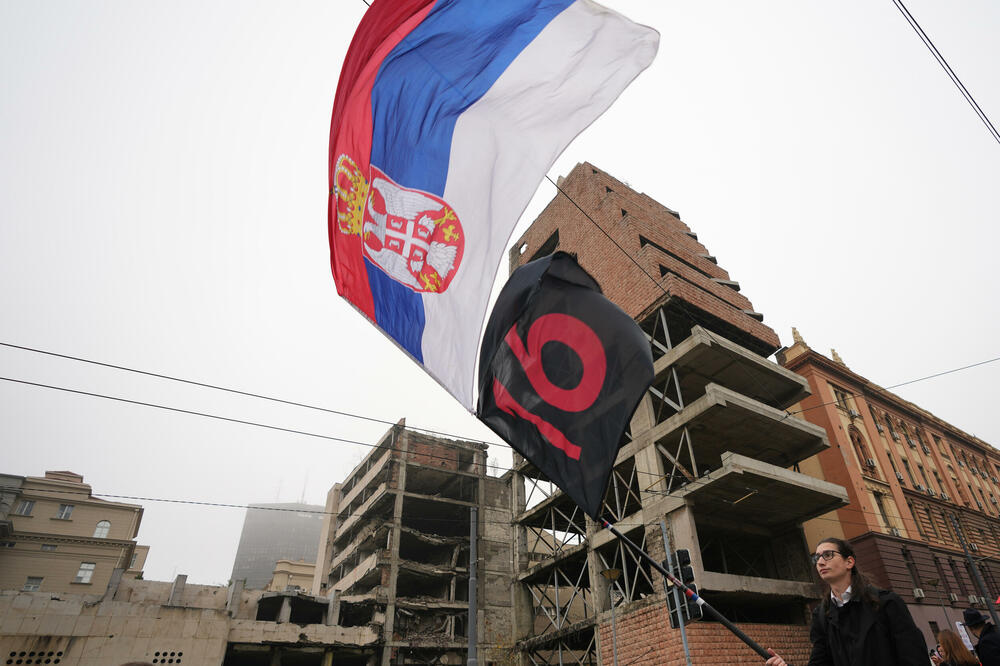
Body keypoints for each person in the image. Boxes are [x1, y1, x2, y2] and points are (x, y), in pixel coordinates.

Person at [764, 537, 927, 665]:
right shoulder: (821, 616)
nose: (820, 562)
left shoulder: (887, 603)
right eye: (816, 558)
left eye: (827, 555)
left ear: (849, 562)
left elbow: (914, 658)